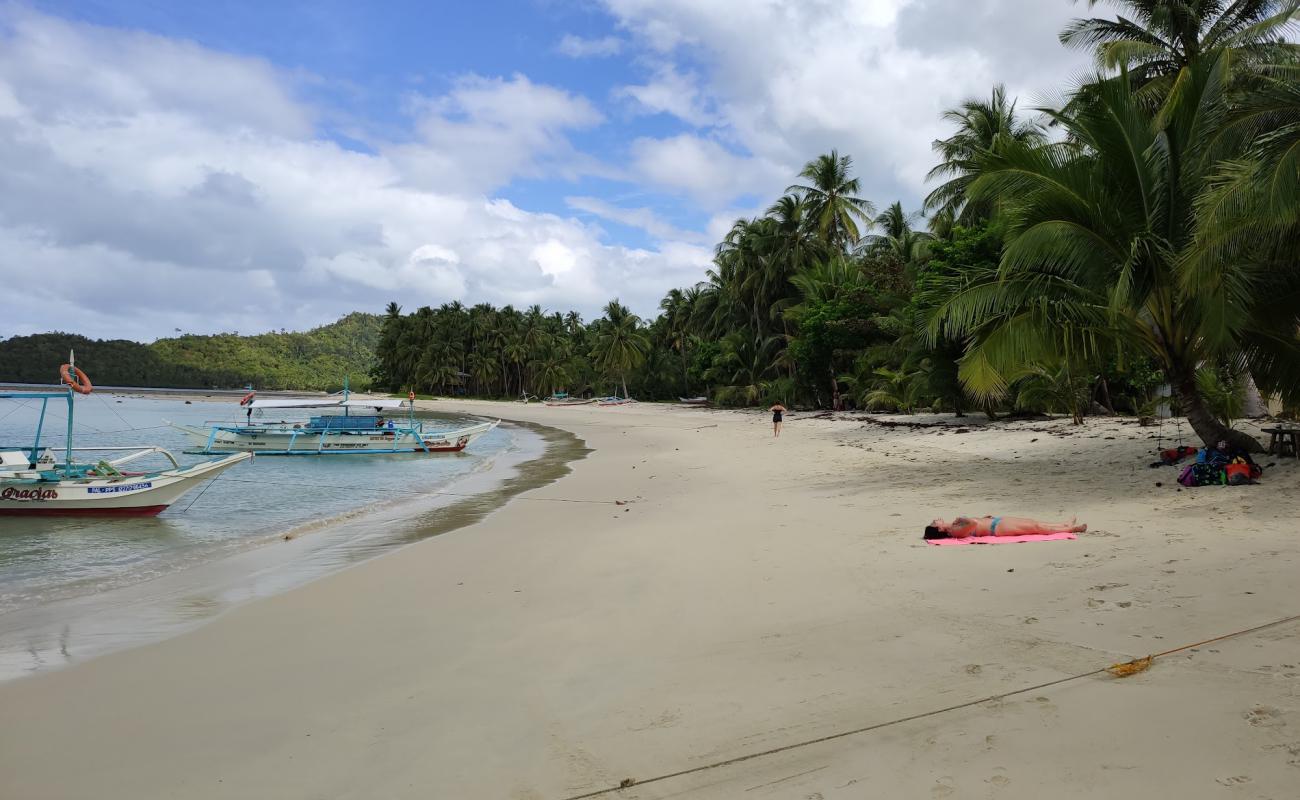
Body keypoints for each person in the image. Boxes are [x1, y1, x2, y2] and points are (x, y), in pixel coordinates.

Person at [924, 515, 1087, 540]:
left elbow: (977, 521)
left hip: (997, 521)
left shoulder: (954, 526)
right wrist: (962, 518)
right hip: (998, 529)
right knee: (1037, 528)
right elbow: (973, 524)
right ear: (939, 529)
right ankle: (1072, 529)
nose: (936, 520)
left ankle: (1065, 526)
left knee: (1035, 523)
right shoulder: (954, 531)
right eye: (934, 523)